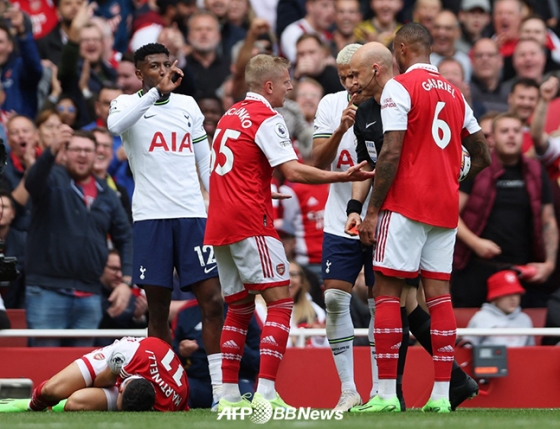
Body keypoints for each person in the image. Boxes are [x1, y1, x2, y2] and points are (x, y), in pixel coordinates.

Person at [203, 54, 375, 411]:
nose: (291, 87)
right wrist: (343, 177)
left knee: (237, 309)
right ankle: (266, 393)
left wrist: (262, 187)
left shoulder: (229, 116)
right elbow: (296, 171)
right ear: (269, 85)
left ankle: (230, 397)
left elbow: (226, 171)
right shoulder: (268, 118)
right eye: (286, 81)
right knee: (281, 304)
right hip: (252, 223)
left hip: (220, 223)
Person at [357, 23, 491, 413]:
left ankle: (384, 395)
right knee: (439, 296)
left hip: (405, 205)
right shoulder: (455, 93)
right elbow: (482, 153)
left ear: (400, 49)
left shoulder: (400, 87)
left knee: (386, 292)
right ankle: (438, 397)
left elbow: (391, 151)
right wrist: (455, 172)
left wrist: (373, 209)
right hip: (445, 209)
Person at [107, 43, 225, 407]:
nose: (161, 70)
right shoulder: (124, 104)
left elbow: (205, 162)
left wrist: (224, 201)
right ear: (140, 73)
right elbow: (115, 128)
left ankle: (222, 392)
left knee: (213, 300)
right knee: (157, 308)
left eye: (165, 64)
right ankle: (164, 390)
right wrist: (154, 93)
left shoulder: (187, 106)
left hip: (192, 216)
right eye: (153, 66)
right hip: (151, 219)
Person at [310, 42, 377, 411]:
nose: (351, 81)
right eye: (344, 76)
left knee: (383, 304)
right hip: (340, 218)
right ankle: (349, 388)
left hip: (382, 217)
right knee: (335, 298)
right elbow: (317, 161)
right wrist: (340, 128)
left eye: (355, 73)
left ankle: (382, 389)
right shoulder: (331, 104)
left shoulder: (390, 101)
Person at [24, 127, 133, 347]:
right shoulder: (51, 178)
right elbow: (31, 182)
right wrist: (50, 151)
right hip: (47, 291)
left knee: (81, 374)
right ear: (64, 153)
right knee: (44, 368)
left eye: (88, 150)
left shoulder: (107, 193)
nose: (82, 155)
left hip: (90, 295)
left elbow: (126, 237)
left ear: (96, 155)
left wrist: (127, 282)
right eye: (76, 150)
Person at [453, 112, 558, 309]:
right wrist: (476, 243)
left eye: (516, 131)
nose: (511, 135)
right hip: (476, 268)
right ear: (492, 137)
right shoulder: (477, 168)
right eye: (504, 131)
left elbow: (548, 221)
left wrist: (549, 264)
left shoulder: (536, 170)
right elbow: (451, 212)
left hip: (522, 271)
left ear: (523, 136)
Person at [0, 336, 188, 412]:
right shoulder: (124, 354)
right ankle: (31, 406)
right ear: (121, 388)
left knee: (75, 403)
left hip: (149, 370)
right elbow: (101, 381)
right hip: (124, 357)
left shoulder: (168, 403)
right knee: (50, 391)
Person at [173, 297, 261, 408]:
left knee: (248, 400)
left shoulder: (244, 310)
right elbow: (170, 356)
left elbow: (259, 360)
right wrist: (181, 352)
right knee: (179, 394)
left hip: (236, 381)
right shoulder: (185, 312)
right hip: (198, 381)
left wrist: (236, 346)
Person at [462, 270, 535, 347]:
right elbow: (467, 348)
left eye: (516, 294)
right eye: (507, 294)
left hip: (519, 359)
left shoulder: (524, 319)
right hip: (489, 359)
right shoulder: (481, 318)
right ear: (494, 298)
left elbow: (530, 351)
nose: (513, 299)